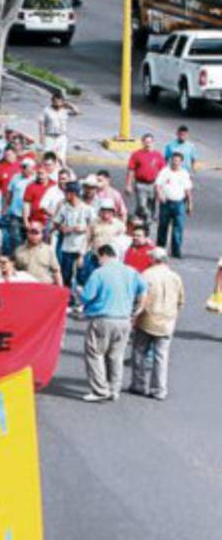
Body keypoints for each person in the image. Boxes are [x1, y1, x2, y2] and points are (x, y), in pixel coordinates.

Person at [80, 245, 147, 403]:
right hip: (124, 319)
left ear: (103, 255)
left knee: (95, 353)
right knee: (116, 356)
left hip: (103, 318)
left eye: (98, 258)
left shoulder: (99, 273)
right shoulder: (131, 272)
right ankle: (114, 389)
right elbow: (143, 290)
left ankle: (99, 390)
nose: (98, 261)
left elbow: (86, 296)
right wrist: (138, 310)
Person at [128, 248, 184, 400]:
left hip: (147, 319)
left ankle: (138, 385)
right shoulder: (175, 277)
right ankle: (159, 389)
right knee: (161, 357)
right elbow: (180, 300)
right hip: (167, 321)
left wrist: (134, 315)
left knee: (139, 352)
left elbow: (139, 297)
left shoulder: (146, 275)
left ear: (153, 260)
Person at [154, 151, 192, 259]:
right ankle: (160, 249)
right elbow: (157, 185)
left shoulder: (184, 173)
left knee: (178, 228)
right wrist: (160, 194)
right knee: (163, 226)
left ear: (181, 162)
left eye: (177, 161)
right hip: (166, 203)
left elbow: (188, 190)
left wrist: (189, 204)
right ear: (170, 160)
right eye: (173, 160)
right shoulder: (165, 171)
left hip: (179, 204)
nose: (175, 162)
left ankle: (176, 250)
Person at [125, 133, 164, 221]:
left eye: (150, 142)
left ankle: (145, 222)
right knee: (142, 205)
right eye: (146, 142)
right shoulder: (136, 154)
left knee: (151, 206)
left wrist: (162, 187)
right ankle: (142, 219)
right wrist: (128, 185)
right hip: (140, 184)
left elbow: (163, 172)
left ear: (153, 142)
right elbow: (131, 170)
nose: (148, 144)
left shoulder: (158, 155)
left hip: (153, 184)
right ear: (142, 142)